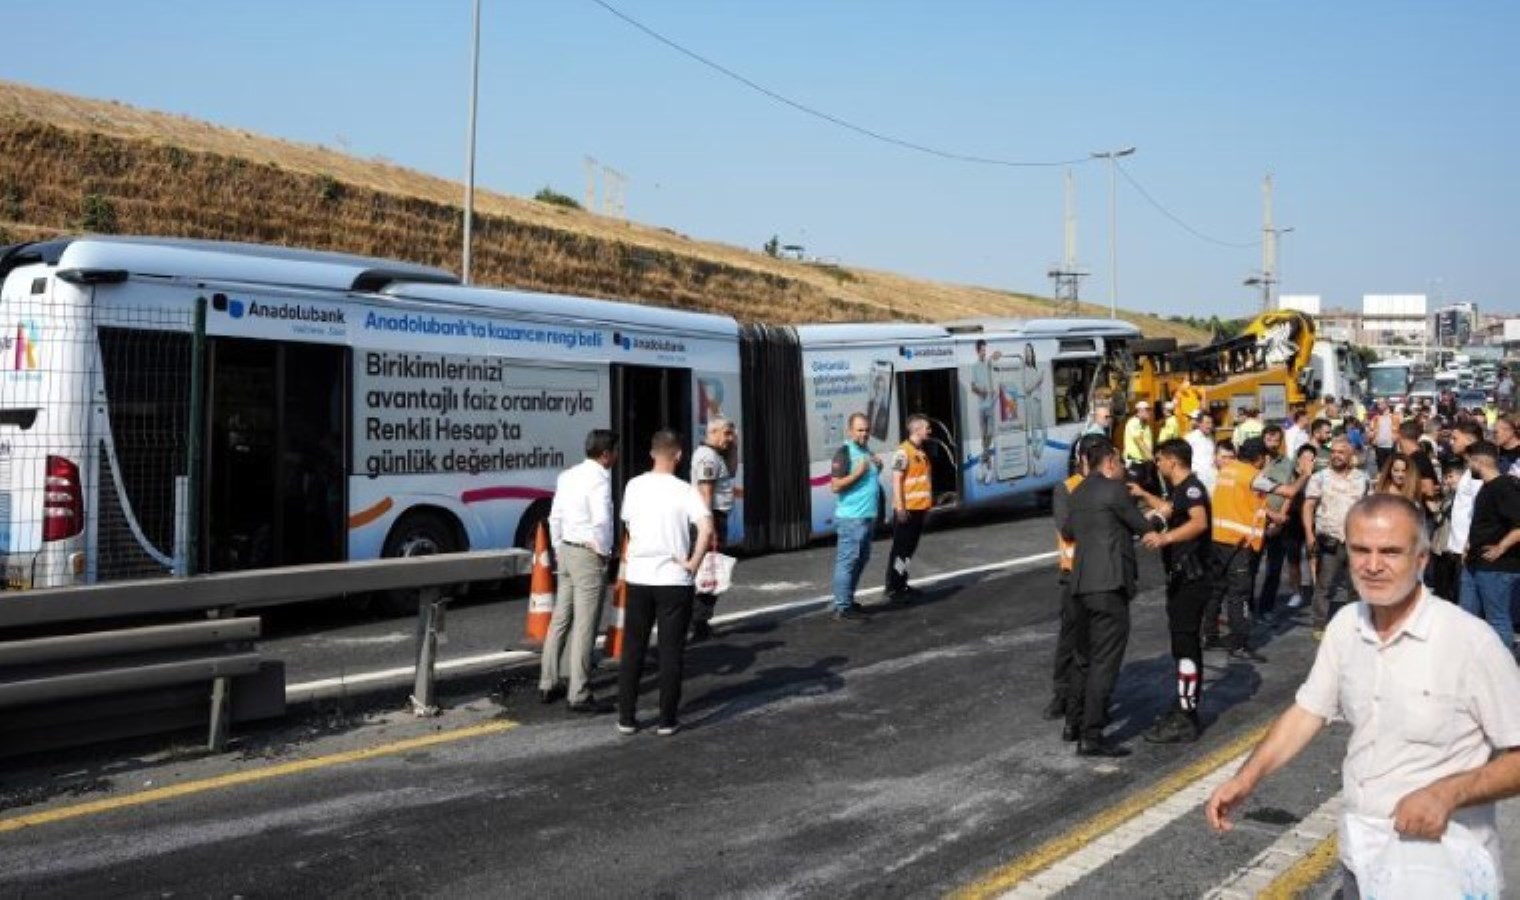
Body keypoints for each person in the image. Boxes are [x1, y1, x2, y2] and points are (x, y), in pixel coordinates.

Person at [1206, 495, 1520, 897]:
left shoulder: (1470, 643)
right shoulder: (1345, 626)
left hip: (1444, 871)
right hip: (1361, 859)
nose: (1373, 566)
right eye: (1361, 550)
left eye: (1390, 552)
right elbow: (1308, 712)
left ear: (1422, 560)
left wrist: (1448, 793)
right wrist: (1245, 778)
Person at [1061, 438, 1161, 757]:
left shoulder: (1076, 493)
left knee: (1083, 657)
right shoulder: (1114, 490)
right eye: (1118, 464)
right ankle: (1091, 735)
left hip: (1080, 584)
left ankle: (1073, 722)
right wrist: (1160, 516)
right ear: (1108, 463)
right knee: (1106, 661)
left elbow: (1069, 532)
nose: (1121, 470)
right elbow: (1142, 525)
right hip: (1108, 585)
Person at [616, 430, 713, 736]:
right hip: (674, 578)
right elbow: (706, 528)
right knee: (671, 651)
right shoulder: (685, 490)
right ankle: (667, 720)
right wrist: (694, 562)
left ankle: (627, 718)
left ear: (651, 453)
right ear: (679, 456)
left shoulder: (634, 486)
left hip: (639, 576)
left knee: (633, 648)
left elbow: (628, 526)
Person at [1131, 438, 1212, 744]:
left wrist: (1165, 540)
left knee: (1186, 644)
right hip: (1181, 579)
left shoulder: (1191, 489)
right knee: (1181, 645)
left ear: (1173, 461)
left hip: (1192, 580)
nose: (1157, 464)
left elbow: (1199, 522)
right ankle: (1183, 703)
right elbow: (1167, 508)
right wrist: (1143, 494)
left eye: (1160, 459)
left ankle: (1187, 716)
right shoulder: (1181, 490)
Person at [541, 429, 619, 712]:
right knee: (585, 624)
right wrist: (605, 554)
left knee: (560, 618)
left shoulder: (567, 476)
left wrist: (558, 548)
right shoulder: (599, 479)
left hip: (567, 551)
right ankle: (579, 692)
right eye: (616, 451)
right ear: (606, 454)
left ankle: (548, 681)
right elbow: (601, 521)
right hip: (588, 554)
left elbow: (555, 517)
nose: (617, 457)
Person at [1046, 432, 1105, 722]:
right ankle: (1062, 693)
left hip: (1101, 574)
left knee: (1097, 641)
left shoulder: (1110, 486)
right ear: (1082, 458)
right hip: (1074, 573)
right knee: (1070, 638)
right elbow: (1067, 528)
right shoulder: (1066, 488)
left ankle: (1091, 701)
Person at [1202, 437, 1271, 661]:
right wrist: (1306, 475)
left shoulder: (1226, 472)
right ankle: (1239, 643)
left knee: (1216, 589)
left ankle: (1209, 636)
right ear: (1260, 458)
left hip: (1217, 539)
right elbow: (1286, 491)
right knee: (1238, 594)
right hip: (1237, 543)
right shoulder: (1251, 475)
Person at [1301, 436, 1371, 639]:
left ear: (1351, 456)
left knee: (1356, 586)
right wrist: (1309, 534)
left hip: (1356, 541)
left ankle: (1355, 624)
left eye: (1341, 452)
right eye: (1333, 452)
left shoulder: (1362, 478)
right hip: (1329, 539)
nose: (1336, 456)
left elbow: (1369, 508)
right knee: (1324, 584)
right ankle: (1320, 625)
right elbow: (1308, 506)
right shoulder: (1320, 477)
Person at [1459, 441, 1520, 658]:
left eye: (1469, 463)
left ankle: (1503, 669)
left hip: (1496, 567)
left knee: (1498, 619)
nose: (1469, 469)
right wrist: (1468, 545)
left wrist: (1501, 547)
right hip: (1476, 563)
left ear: (1479, 461)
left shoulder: (1504, 486)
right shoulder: (1487, 487)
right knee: (1466, 617)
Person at [1254, 425, 1313, 618]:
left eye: (1276, 440)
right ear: (1263, 439)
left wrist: (1279, 520)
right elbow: (1250, 494)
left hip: (1278, 524)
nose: (1272, 443)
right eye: (1269, 439)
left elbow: (1289, 494)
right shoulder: (1254, 462)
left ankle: (1266, 608)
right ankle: (1245, 608)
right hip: (1255, 520)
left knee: (1274, 569)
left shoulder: (1287, 464)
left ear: (1281, 442)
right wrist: (1269, 514)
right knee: (1249, 569)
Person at [689, 416, 738, 642]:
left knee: (711, 570)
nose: (730, 438)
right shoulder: (707, 458)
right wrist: (709, 527)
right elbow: (705, 493)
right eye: (727, 433)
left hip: (715, 518)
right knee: (711, 571)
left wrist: (734, 445)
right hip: (712, 519)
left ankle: (699, 620)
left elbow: (732, 470)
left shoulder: (716, 455)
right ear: (714, 432)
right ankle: (698, 622)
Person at [830, 412, 882, 621]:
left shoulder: (865, 450)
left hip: (867, 515)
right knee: (848, 561)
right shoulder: (844, 452)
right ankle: (842, 606)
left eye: (867, 430)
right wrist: (857, 474)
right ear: (850, 431)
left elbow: (868, 480)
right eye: (860, 430)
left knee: (862, 558)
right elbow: (835, 485)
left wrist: (878, 466)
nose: (865, 434)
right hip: (852, 518)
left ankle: (848, 600)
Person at [885, 413, 933, 603]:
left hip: (918, 509)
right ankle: (894, 585)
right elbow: (896, 480)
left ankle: (900, 581)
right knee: (901, 549)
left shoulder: (919, 451)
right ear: (917, 429)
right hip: (908, 511)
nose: (929, 431)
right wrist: (900, 508)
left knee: (908, 550)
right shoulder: (903, 452)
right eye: (927, 428)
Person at [969, 340, 1000, 484]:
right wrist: (982, 391)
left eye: (985, 350)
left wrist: (996, 355)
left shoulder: (988, 364)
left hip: (991, 406)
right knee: (984, 439)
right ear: (977, 351)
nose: (984, 352)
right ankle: (988, 469)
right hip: (982, 407)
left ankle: (983, 465)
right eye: (982, 350)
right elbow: (973, 387)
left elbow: (996, 356)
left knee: (989, 436)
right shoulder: (974, 366)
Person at [1122, 400, 1156, 491]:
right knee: (1133, 490)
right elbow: (1139, 441)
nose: (1149, 412)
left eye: (1150, 410)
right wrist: (1150, 456)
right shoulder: (1134, 423)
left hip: (1143, 463)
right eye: (1147, 410)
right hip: (1134, 463)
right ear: (1139, 411)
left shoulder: (1145, 424)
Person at [1184, 410, 1217, 493]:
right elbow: (1183, 457)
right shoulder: (1190, 438)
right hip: (1197, 478)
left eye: (1211, 423)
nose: (1210, 426)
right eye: (1207, 423)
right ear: (1199, 423)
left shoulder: (1210, 438)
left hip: (1211, 478)